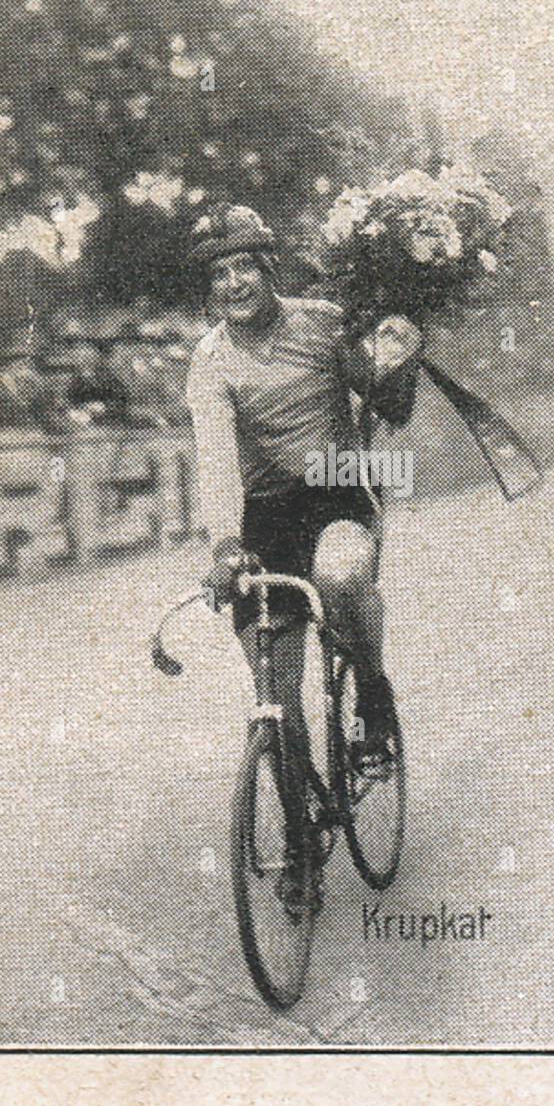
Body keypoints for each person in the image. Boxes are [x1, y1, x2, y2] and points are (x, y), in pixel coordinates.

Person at [185, 206, 422, 769]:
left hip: (336, 491)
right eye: (219, 274)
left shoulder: (324, 322)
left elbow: (392, 404)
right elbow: (217, 459)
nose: (233, 283)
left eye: (244, 267)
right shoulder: (209, 361)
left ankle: (371, 689)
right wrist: (224, 545)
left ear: (269, 270)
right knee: (276, 702)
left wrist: (400, 352)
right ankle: (299, 839)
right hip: (263, 517)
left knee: (340, 578)